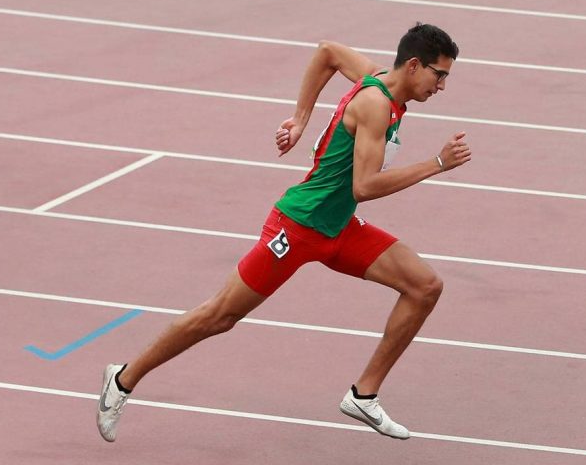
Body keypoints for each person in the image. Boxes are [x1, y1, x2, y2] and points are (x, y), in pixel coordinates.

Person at [97, 22, 470, 442]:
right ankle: (124, 378)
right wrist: (437, 164)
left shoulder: (380, 75)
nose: (441, 87)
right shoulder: (375, 105)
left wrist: (299, 120)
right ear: (415, 65)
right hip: (297, 227)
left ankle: (363, 395)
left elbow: (327, 50)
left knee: (424, 286)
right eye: (440, 75)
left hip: (338, 227)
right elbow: (363, 187)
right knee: (220, 316)